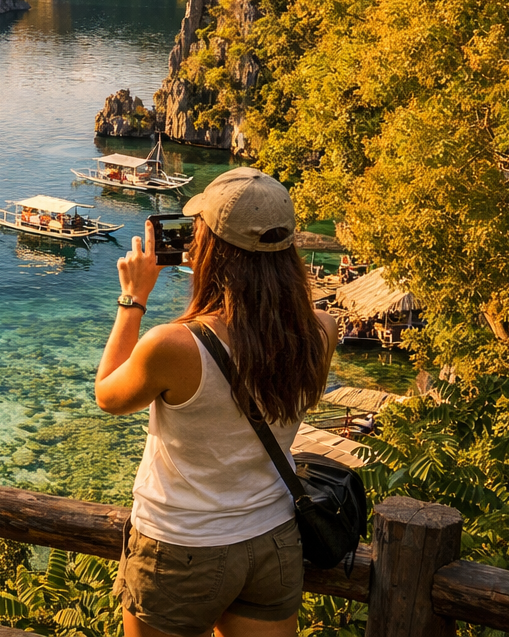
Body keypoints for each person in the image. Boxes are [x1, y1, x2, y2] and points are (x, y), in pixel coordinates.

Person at [94, 167, 337, 637]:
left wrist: (133, 298)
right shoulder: (320, 331)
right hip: (273, 539)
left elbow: (108, 395)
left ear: (206, 247)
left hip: (181, 547)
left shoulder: (176, 345)